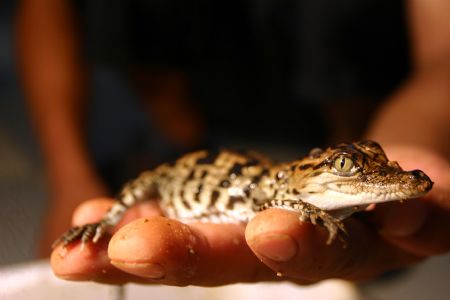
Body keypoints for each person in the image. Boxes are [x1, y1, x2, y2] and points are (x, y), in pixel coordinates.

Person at [16, 0, 450, 285]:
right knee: (139, 195)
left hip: (311, 111)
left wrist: (413, 133)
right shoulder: (283, 194)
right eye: (346, 168)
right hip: (188, 151)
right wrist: (73, 179)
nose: (381, 176)